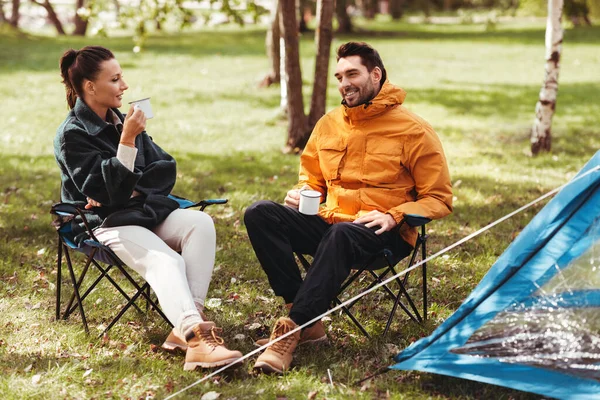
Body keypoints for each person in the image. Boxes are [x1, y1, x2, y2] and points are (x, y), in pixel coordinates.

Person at [244, 42, 453, 374]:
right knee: (260, 213)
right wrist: (302, 193)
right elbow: (311, 177)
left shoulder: (414, 130)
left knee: (341, 234)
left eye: (352, 74)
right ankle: (304, 316)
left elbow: (439, 198)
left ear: (375, 74)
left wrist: (394, 215)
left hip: (383, 233)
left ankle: (291, 330)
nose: (344, 84)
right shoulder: (329, 123)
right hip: (330, 224)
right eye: (339, 77)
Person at [54, 46, 242, 371]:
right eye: (115, 79)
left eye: (122, 76)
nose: (124, 85)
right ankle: (198, 340)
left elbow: (165, 168)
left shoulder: (123, 120)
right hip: (104, 223)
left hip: (142, 212)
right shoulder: (72, 135)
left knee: (200, 224)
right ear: (90, 87)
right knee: (164, 260)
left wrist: (127, 186)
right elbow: (103, 194)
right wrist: (126, 143)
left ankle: (187, 324)